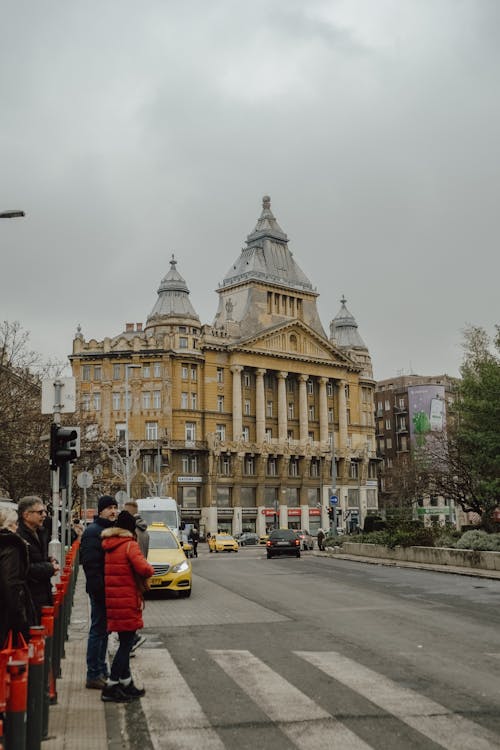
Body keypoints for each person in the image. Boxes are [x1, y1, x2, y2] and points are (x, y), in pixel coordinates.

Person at [101, 510, 154, 702]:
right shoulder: (129, 545)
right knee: (126, 645)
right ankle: (111, 685)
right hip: (126, 599)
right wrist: (150, 569)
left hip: (114, 599)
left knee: (125, 640)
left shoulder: (110, 544)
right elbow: (144, 568)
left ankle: (126, 682)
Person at [80, 495, 118, 689]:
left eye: (115, 507)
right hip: (100, 589)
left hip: (108, 589)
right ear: (100, 510)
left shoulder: (108, 530)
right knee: (98, 631)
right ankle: (93, 673)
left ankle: (101, 670)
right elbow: (90, 564)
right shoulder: (93, 532)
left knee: (104, 631)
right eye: (109, 508)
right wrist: (100, 589)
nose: (113, 511)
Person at [17, 496, 59, 623]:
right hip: (30, 597)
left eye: (45, 512)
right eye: (40, 512)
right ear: (26, 515)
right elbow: (24, 568)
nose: (44, 515)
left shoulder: (40, 533)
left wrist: (50, 561)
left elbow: (39, 558)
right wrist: (49, 568)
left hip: (43, 592)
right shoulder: (19, 538)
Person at [0, 506, 37, 647]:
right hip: (7, 614)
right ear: (8, 525)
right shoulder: (12, 546)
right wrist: (20, 619)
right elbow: (11, 583)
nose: (17, 527)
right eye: (15, 524)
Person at [123, 500, 149, 653]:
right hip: (140, 575)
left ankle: (130, 641)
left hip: (131, 574)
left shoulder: (132, 533)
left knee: (129, 610)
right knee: (135, 608)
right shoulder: (145, 530)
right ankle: (131, 638)